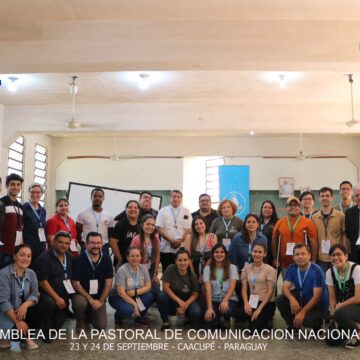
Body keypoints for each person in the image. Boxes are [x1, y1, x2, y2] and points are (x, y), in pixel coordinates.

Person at [276, 244, 328, 331]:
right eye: (297, 254)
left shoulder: (316, 270)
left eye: (303, 254)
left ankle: (319, 323)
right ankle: (293, 326)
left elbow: (316, 297)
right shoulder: (292, 267)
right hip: (302, 298)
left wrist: (302, 313)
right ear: (293, 257)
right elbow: (285, 288)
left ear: (309, 255)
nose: (300, 257)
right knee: (280, 299)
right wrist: (292, 300)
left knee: (306, 320)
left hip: (317, 304)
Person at [0, 245, 42, 352]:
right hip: (6, 313)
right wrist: (17, 321)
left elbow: (35, 294)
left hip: (22, 311)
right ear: (14, 256)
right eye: (22, 255)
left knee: (42, 307)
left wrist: (25, 305)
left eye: (28, 256)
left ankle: (21, 335)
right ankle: (21, 335)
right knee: (14, 334)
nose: (25, 258)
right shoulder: (3, 274)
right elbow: (3, 301)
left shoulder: (31, 273)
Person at [33, 231, 73, 339]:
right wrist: (57, 298)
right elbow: (43, 282)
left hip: (63, 294)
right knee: (49, 304)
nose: (63, 245)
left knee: (58, 324)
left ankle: (50, 324)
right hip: (46, 295)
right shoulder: (44, 259)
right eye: (60, 242)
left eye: (66, 243)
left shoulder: (69, 257)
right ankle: (43, 327)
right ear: (53, 242)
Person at [71, 232, 113, 331]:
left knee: (100, 326)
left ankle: (89, 313)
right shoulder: (78, 260)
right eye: (93, 243)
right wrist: (90, 299)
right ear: (86, 244)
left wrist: (101, 301)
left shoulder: (107, 260)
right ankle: (80, 319)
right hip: (82, 296)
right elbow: (76, 284)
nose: (96, 246)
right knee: (79, 303)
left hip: (98, 297)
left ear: (102, 244)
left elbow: (109, 283)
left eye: (99, 243)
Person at [272, 196, 318, 277]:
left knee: (302, 286)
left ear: (300, 208)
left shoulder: (307, 222)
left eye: (296, 205)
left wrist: (313, 260)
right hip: (285, 264)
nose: (293, 207)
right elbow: (274, 240)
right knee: (287, 286)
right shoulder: (280, 222)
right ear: (286, 208)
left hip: (303, 263)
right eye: (290, 205)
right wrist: (275, 258)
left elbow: (313, 242)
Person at [157, 248, 202, 331]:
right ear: (175, 261)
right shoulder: (170, 268)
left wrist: (185, 305)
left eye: (185, 260)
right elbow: (165, 287)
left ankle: (187, 317)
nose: (183, 263)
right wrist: (179, 302)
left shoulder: (193, 275)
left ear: (189, 261)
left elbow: (196, 294)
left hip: (186, 302)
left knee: (197, 312)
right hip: (173, 302)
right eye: (180, 260)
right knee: (161, 296)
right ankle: (165, 322)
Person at [109, 247, 154, 327]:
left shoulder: (143, 268)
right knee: (128, 310)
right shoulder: (122, 270)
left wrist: (136, 292)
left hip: (135, 295)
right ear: (127, 257)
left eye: (137, 256)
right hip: (118, 297)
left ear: (140, 257)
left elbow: (148, 286)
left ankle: (139, 318)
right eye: (132, 256)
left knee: (150, 297)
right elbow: (121, 293)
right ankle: (118, 316)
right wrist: (135, 305)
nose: (135, 258)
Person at [326, 244, 360, 349]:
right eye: (333, 255)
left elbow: (358, 297)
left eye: (339, 254)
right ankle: (351, 327)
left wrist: (339, 308)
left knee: (340, 313)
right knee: (332, 340)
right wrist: (334, 317)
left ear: (346, 256)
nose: (335, 257)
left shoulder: (356, 269)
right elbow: (332, 298)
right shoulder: (330, 272)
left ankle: (357, 332)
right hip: (341, 312)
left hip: (357, 306)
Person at [241, 243, 277, 331]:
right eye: (255, 251)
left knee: (254, 330)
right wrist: (246, 304)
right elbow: (244, 288)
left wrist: (259, 309)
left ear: (264, 254)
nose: (257, 254)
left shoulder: (269, 269)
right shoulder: (246, 268)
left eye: (260, 252)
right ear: (251, 252)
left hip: (266, 302)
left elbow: (270, 292)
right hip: (252, 300)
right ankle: (255, 319)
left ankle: (266, 318)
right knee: (239, 314)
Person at [203, 243, 239, 329]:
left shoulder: (232, 268)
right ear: (213, 254)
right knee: (212, 322)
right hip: (214, 299)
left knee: (227, 311)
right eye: (216, 252)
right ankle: (217, 318)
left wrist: (225, 300)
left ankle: (227, 318)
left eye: (222, 252)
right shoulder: (207, 269)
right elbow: (208, 289)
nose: (219, 254)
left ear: (225, 254)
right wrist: (210, 308)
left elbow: (232, 287)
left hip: (229, 299)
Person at [156, 190, 192, 272]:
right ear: (170, 198)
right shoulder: (163, 211)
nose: (176, 199)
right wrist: (171, 241)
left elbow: (189, 229)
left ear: (181, 199)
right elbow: (159, 228)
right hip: (166, 248)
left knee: (181, 272)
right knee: (167, 271)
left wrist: (180, 241)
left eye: (178, 197)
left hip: (181, 248)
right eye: (174, 196)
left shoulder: (186, 211)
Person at [312, 187, 346, 273]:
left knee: (337, 283)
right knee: (323, 284)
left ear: (332, 198)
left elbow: (344, 236)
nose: (325, 198)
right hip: (321, 259)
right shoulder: (314, 217)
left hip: (337, 257)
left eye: (327, 196)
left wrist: (344, 254)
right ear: (319, 198)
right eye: (322, 196)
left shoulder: (341, 216)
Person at [76, 188, 114, 256]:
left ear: (103, 198)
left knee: (103, 266)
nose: (97, 198)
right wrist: (83, 244)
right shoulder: (82, 213)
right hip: (87, 246)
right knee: (85, 266)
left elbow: (111, 234)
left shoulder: (109, 215)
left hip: (103, 247)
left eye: (100, 196)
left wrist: (107, 246)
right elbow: (78, 232)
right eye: (95, 196)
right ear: (91, 198)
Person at [0, 173, 24, 269]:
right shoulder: (2, 203)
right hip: (3, 250)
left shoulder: (21, 206)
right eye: (12, 184)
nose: (16, 187)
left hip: (16, 251)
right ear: (7, 185)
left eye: (18, 185)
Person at [130, 214, 161, 285]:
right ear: (142, 225)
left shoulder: (156, 239)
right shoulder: (136, 239)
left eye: (153, 225)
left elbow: (157, 257)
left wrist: (155, 274)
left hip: (151, 269)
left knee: (156, 292)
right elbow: (132, 257)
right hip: (138, 269)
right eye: (148, 224)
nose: (150, 227)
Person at [110, 200, 141, 267]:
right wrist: (119, 258)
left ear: (139, 210)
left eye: (135, 207)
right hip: (123, 261)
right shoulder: (120, 224)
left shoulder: (141, 225)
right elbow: (113, 242)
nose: (133, 209)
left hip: (138, 261)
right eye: (130, 207)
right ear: (126, 210)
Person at [22, 183, 47, 265]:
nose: (35, 194)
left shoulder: (43, 210)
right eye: (32, 192)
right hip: (28, 246)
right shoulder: (24, 208)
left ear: (42, 194)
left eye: (38, 192)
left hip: (41, 247)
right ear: (29, 193)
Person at [259, 200, 278, 266]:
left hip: (272, 256)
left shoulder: (277, 222)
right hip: (258, 255)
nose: (267, 209)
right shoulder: (256, 221)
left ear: (273, 210)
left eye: (269, 208)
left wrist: (275, 258)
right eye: (265, 207)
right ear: (261, 209)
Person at [345, 184, 360, 264]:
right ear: (354, 198)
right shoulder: (349, 212)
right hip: (355, 252)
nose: (359, 198)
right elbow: (348, 233)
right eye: (357, 195)